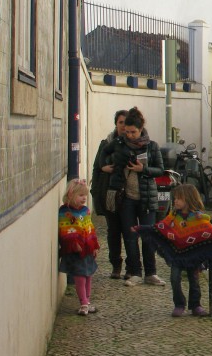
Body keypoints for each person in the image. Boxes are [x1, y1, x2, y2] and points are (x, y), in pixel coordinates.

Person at [132, 183, 212, 317]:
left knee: (194, 281)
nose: (175, 201)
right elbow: (160, 227)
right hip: (177, 254)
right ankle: (179, 304)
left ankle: (196, 305)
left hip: (194, 255)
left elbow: (210, 231)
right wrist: (142, 228)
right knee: (174, 278)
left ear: (188, 199)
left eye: (178, 198)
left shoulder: (198, 217)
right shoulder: (173, 216)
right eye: (175, 198)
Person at [109, 106, 167, 287]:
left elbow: (160, 170)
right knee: (130, 235)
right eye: (127, 132)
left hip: (147, 197)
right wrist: (107, 166)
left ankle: (151, 273)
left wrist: (144, 169)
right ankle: (135, 272)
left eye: (133, 132)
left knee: (148, 236)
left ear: (141, 129)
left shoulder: (152, 146)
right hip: (126, 197)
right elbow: (104, 153)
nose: (130, 135)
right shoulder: (119, 144)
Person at [90, 109, 128, 279]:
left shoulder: (133, 143)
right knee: (113, 230)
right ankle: (116, 265)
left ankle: (132, 267)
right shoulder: (106, 143)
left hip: (128, 193)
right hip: (110, 193)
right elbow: (97, 167)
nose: (123, 126)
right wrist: (96, 191)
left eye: (126, 123)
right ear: (116, 124)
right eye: (121, 122)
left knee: (129, 231)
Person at [58, 178, 100, 316]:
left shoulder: (85, 211)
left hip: (87, 249)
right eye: (80, 195)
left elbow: (90, 229)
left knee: (88, 275)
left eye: (85, 196)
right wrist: (73, 243)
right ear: (71, 195)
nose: (83, 199)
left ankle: (87, 301)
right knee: (80, 276)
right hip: (75, 252)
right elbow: (66, 231)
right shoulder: (65, 212)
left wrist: (94, 245)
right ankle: (83, 302)